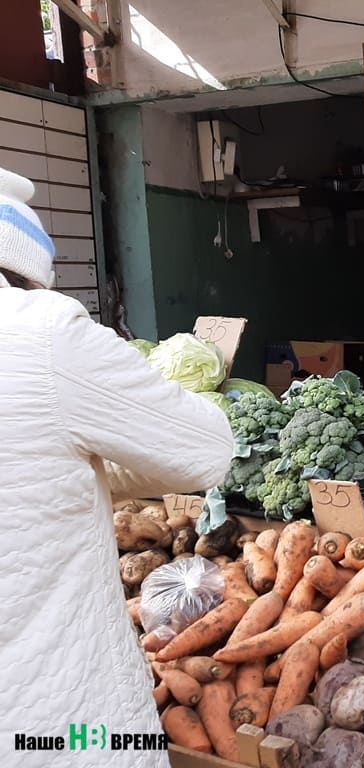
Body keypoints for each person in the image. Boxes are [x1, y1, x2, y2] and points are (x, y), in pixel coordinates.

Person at [0, 167, 234, 767]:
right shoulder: (41, 330)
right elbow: (204, 449)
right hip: (55, 727)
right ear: (26, 267)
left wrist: (92, 458)